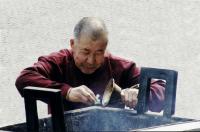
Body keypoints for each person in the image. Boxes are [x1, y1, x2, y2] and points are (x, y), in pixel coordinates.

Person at [15, 17, 165, 113]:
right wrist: (67, 92)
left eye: (99, 52)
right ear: (72, 45)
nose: (91, 60)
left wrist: (140, 92)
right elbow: (24, 79)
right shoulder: (58, 62)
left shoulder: (121, 67)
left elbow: (163, 91)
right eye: (85, 52)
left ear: (106, 48)